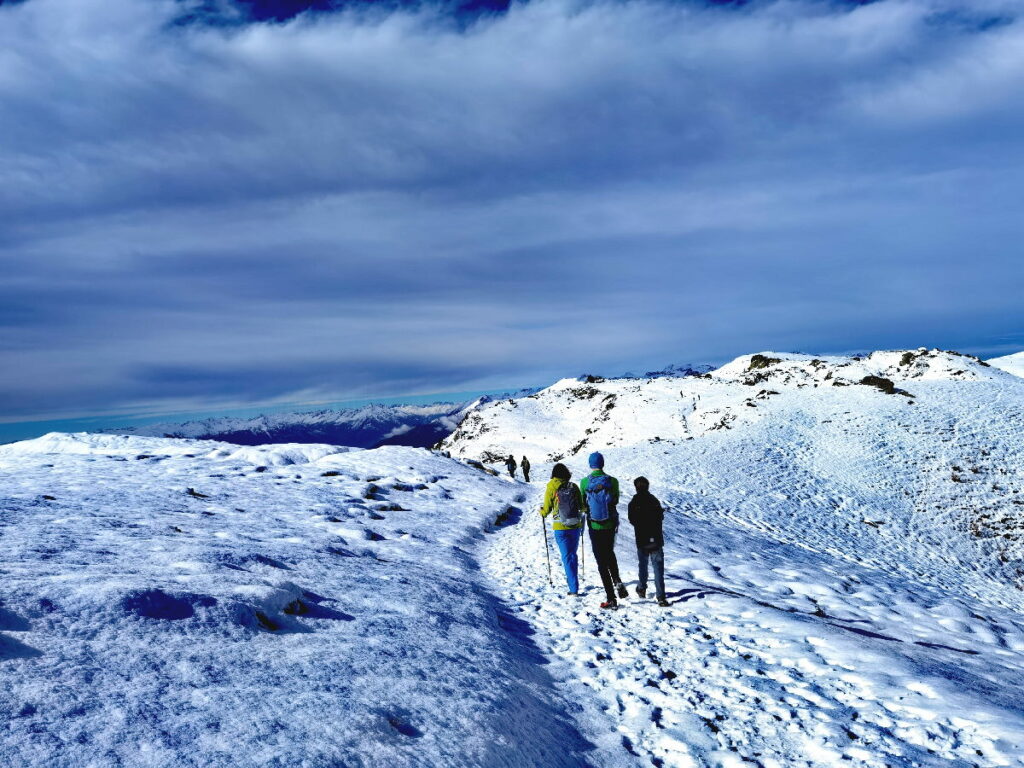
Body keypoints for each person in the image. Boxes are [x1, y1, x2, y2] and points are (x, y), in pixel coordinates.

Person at [581, 451, 628, 609]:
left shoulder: (584, 482)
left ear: (590, 464)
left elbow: (583, 504)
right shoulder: (612, 481)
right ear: (602, 464)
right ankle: (617, 580)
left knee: (601, 561)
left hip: (594, 525)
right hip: (610, 524)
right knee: (610, 553)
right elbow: (615, 500)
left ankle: (611, 598)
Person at [539, 463, 584, 596]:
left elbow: (546, 509)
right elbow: (581, 506)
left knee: (567, 556)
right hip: (575, 526)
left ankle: (573, 588)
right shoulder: (573, 486)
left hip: (560, 527)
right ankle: (574, 583)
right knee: (572, 555)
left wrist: (542, 512)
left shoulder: (551, 486)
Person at [628, 477, 669, 607]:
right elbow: (660, 517)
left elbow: (632, 520)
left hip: (642, 539)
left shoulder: (634, 502)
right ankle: (661, 597)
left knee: (643, 565)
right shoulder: (654, 500)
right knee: (658, 569)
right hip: (656, 539)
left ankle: (642, 588)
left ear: (636, 487)